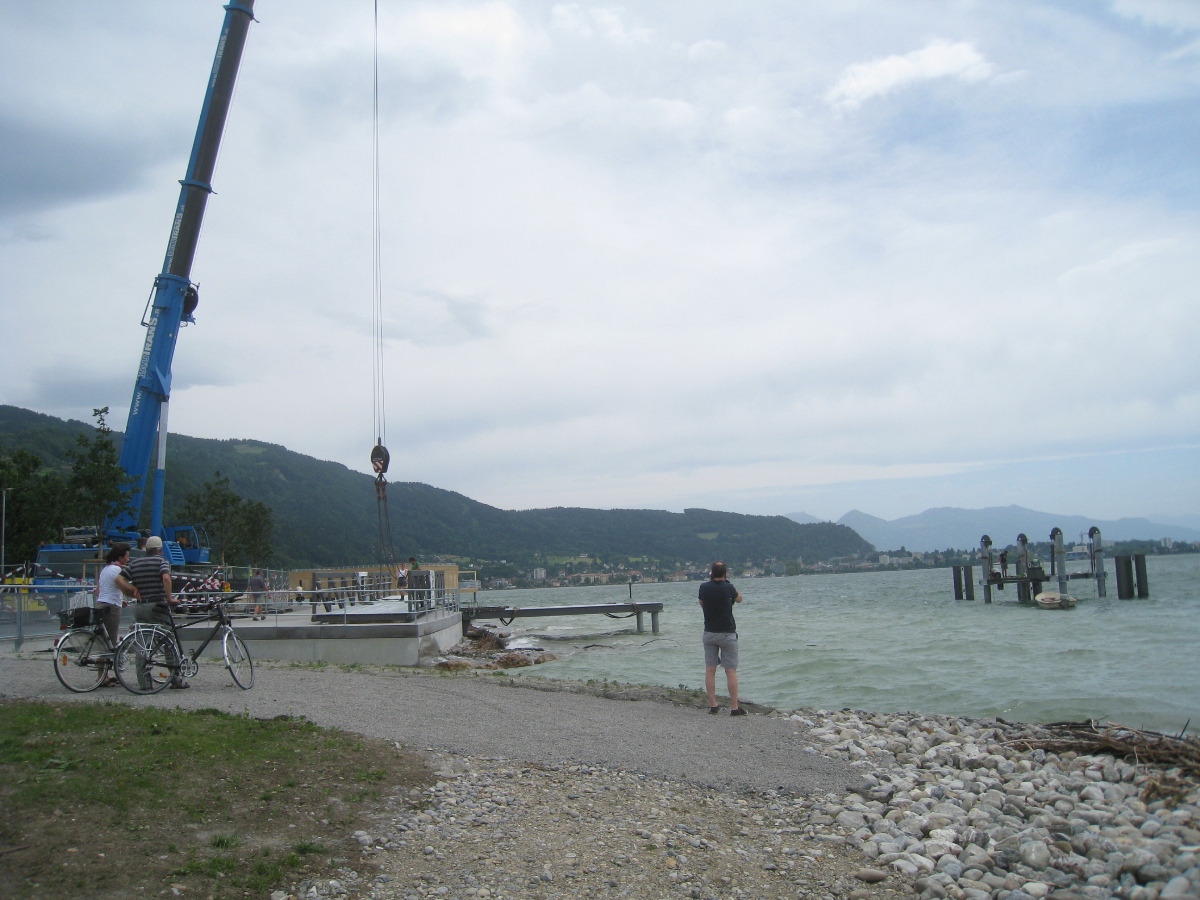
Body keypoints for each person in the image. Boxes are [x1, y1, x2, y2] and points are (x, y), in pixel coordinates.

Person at [124, 535, 188, 689]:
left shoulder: (135, 563)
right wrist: (170, 598)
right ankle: (175, 679)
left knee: (143, 645)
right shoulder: (161, 561)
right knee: (169, 640)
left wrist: (131, 591)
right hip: (157, 606)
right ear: (160, 549)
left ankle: (145, 684)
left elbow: (119, 579)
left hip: (141, 607)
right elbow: (166, 578)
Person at [698, 561, 745, 716]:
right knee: (730, 670)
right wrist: (729, 585)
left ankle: (713, 705)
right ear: (725, 573)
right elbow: (739, 599)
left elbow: (701, 603)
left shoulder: (704, 587)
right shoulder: (728, 587)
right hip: (727, 633)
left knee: (710, 669)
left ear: (712, 573)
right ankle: (734, 707)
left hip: (709, 632)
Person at [94, 542, 139, 685]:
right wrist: (137, 593)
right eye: (127, 556)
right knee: (110, 642)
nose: (128, 559)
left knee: (104, 641)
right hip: (111, 608)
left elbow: (99, 590)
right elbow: (125, 588)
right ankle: (102, 677)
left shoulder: (106, 569)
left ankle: (104, 675)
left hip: (101, 604)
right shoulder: (116, 570)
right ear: (120, 557)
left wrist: (121, 600)